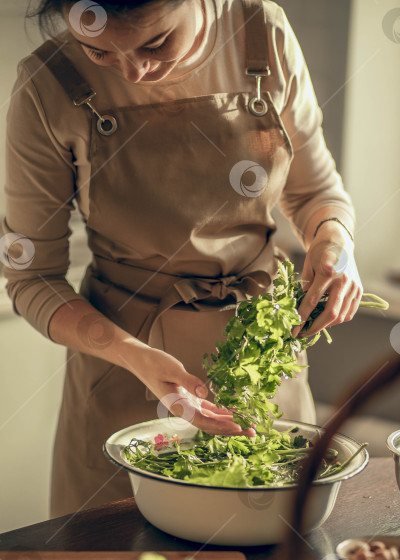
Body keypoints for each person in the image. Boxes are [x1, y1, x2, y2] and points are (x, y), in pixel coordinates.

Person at [3, 0, 362, 517]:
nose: (134, 71)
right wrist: (132, 356)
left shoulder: (262, 34)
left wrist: (334, 241)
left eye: (155, 43)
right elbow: (31, 276)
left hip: (264, 365)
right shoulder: (45, 85)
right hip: (124, 370)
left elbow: (316, 193)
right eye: (98, 51)